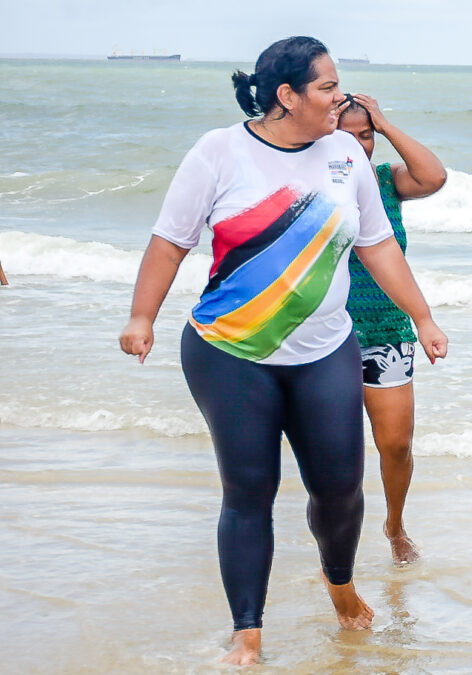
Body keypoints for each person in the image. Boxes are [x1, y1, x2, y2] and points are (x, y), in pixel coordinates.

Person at [117, 36, 448, 665]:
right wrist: (142, 317)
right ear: (285, 96)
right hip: (229, 351)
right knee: (249, 490)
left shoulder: (347, 154)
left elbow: (378, 245)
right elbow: (169, 242)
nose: (340, 98)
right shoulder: (220, 152)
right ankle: (248, 631)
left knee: (340, 489)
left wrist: (422, 317)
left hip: (325, 349)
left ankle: (340, 584)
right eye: (326, 87)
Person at [337, 94, 447, 565]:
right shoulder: (312, 183)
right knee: (339, 452)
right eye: (350, 135)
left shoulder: (385, 181)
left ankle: (394, 523)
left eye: (367, 136)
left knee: (396, 445)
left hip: (386, 328)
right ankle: (338, 550)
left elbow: (434, 176)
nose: (361, 145)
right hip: (328, 334)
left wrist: (383, 122)